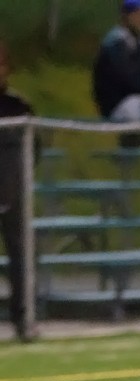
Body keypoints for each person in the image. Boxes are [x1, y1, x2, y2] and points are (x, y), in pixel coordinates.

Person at [0, 40, 37, 342]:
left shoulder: (18, 106)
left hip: (13, 192)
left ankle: (23, 319)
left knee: (20, 257)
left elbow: (34, 149)